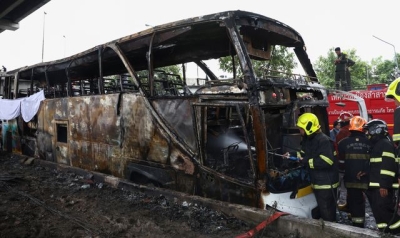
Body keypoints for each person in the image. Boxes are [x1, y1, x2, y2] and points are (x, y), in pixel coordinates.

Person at [294, 112, 339, 222]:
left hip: (326, 185)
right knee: (322, 211)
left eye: (301, 128)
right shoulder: (309, 139)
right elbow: (304, 153)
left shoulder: (323, 140)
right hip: (318, 182)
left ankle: (331, 232)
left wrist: (305, 161)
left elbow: (326, 161)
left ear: (308, 127)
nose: (300, 131)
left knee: (327, 214)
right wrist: (292, 156)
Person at [363, 119, 400, 234]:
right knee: (379, 212)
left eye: (368, 131)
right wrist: (365, 172)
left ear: (376, 131)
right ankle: (384, 231)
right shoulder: (377, 145)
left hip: (382, 187)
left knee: (385, 211)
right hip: (376, 186)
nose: (367, 134)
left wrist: (384, 185)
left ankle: (396, 232)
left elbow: (388, 167)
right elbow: (376, 166)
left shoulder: (384, 144)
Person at [337, 116, 370, 227]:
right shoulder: (371, 142)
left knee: (356, 204)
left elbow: (340, 162)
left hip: (351, 180)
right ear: (364, 128)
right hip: (369, 180)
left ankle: (358, 226)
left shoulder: (342, 143)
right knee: (376, 203)